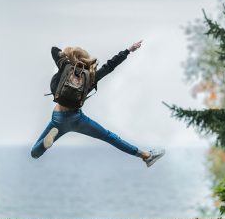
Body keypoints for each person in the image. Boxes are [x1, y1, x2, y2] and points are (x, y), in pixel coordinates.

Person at [31, 40, 165, 167]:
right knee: (109, 137)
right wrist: (128, 50)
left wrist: (67, 57)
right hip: (77, 119)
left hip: (58, 118)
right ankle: (146, 156)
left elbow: (54, 50)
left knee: (34, 153)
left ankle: (44, 144)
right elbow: (110, 66)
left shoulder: (65, 67)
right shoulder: (90, 77)